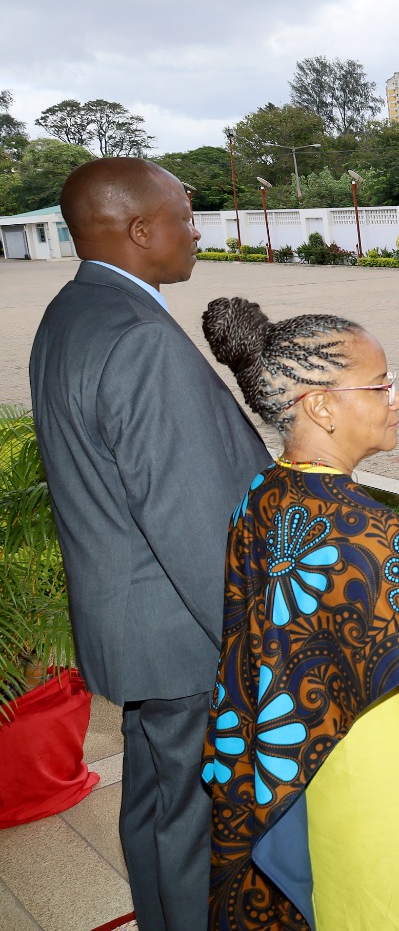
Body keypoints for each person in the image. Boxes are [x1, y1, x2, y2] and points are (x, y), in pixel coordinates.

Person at [199, 297, 399, 929]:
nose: (398, 399)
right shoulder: (374, 531)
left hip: (293, 757)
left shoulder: (262, 493)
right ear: (319, 405)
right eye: (381, 385)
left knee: (330, 891)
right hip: (378, 759)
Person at [28, 158, 273, 931]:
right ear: (141, 230)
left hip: (136, 619)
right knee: (193, 822)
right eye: (184, 217)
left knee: (159, 798)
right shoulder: (138, 337)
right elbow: (191, 518)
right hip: (183, 632)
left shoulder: (76, 312)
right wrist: (258, 648)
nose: (197, 232)